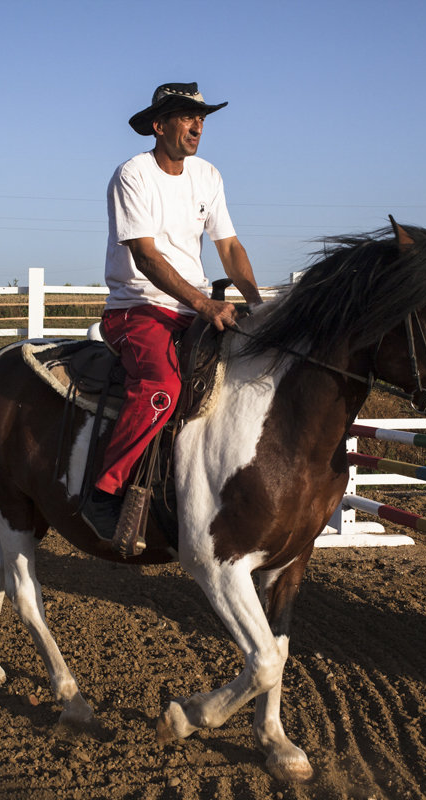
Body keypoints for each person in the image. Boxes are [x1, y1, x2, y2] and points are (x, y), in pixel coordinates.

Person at [80, 82, 263, 546]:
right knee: (162, 387)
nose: (197, 124)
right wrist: (204, 304)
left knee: (249, 373)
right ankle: (103, 492)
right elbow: (145, 256)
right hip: (137, 308)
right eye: (185, 116)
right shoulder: (133, 176)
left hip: (192, 310)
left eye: (200, 117)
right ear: (159, 126)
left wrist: (258, 306)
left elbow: (230, 247)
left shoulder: (209, 176)